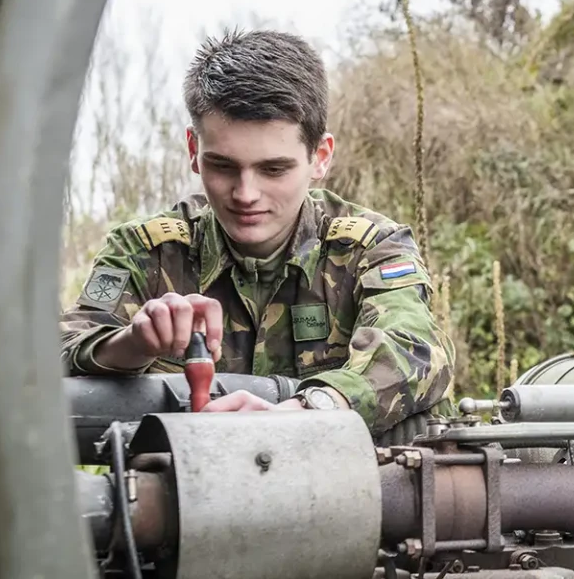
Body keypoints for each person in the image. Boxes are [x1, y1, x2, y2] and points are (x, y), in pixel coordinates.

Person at [59, 29, 454, 438]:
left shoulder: (369, 248)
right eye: (223, 166)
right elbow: (59, 350)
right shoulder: (147, 252)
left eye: (273, 169)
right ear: (194, 150)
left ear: (319, 158)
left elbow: (415, 349)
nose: (245, 194)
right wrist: (134, 343)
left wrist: (308, 411)